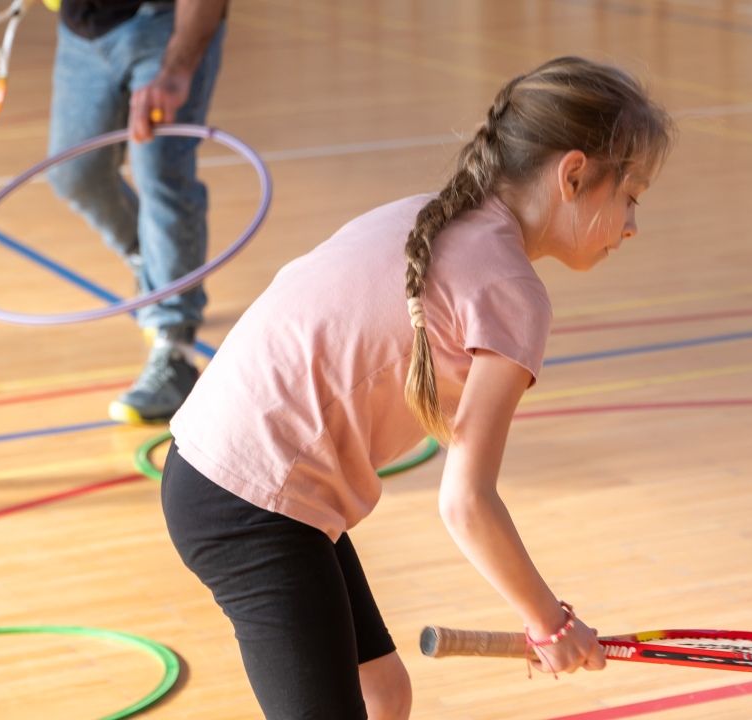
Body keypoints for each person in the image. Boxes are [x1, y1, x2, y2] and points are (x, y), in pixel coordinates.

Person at [161, 56, 675, 719]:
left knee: (384, 693)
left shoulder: (427, 215)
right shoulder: (513, 294)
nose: (632, 225)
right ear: (573, 174)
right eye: (630, 196)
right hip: (251, 502)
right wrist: (549, 621)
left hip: (221, 470)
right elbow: (466, 502)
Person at [46, 0, 228, 425]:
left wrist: (177, 69)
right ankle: (150, 260)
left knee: (161, 171)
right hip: (82, 29)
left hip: (165, 26)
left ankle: (175, 347)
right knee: (74, 174)